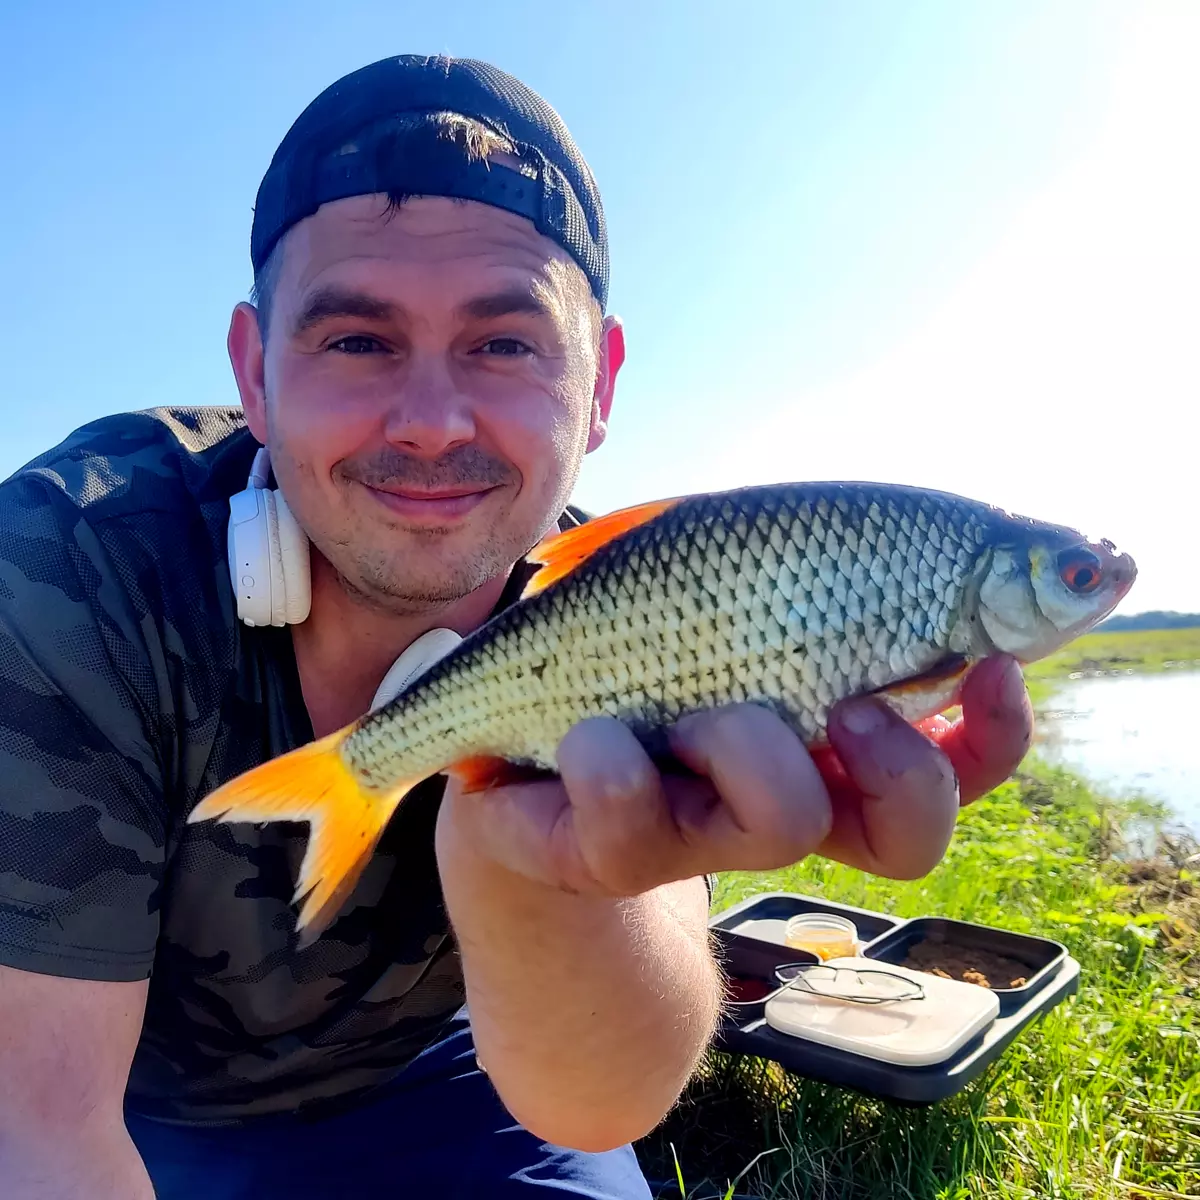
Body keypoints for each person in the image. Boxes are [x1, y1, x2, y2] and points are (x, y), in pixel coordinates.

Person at [0, 54, 1033, 1199]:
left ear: (598, 387)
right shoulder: (71, 566)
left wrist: (537, 873)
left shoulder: (648, 595)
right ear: (254, 371)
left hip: (462, 1076)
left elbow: (598, 1103)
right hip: (149, 1110)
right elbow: (38, 1131)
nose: (435, 424)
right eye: (356, 341)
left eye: (504, 343)